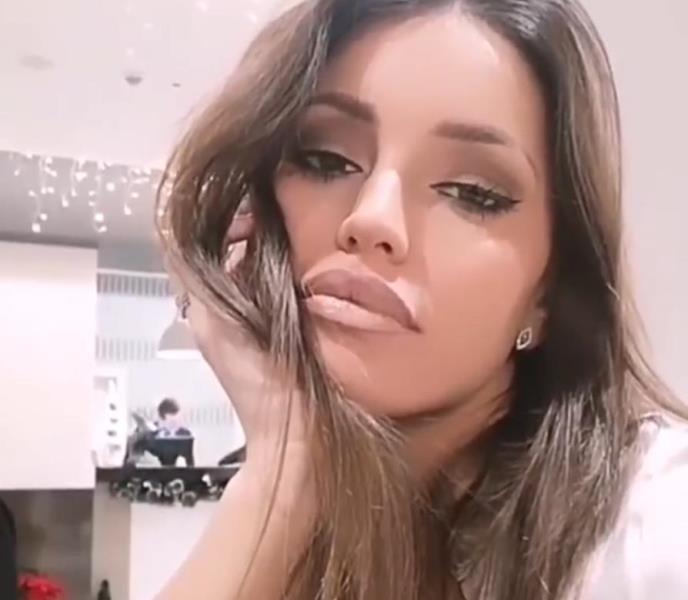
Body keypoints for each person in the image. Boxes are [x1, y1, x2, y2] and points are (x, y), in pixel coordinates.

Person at [156, 1, 688, 599]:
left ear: (547, 291)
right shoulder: (266, 519)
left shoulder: (658, 526)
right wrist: (281, 480)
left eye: (472, 192)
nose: (371, 219)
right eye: (326, 160)